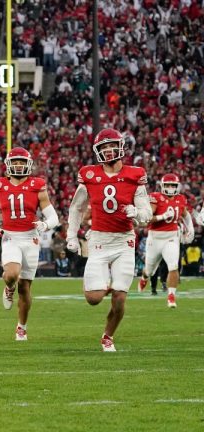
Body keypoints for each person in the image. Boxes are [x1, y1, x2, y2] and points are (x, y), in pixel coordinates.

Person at [66, 128, 152, 352]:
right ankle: (103, 283)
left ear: (121, 147)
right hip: (99, 240)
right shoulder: (89, 174)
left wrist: (137, 212)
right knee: (93, 298)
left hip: (124, 241)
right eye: (103, 147)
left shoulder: (135, 174)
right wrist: (71, 235)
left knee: (120, 298)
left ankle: (108, 336)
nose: (108, 150)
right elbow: (76, 207)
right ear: (97, 150)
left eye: (111, 146)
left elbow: (146, 213)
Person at [0, 147, 59, 341]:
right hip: (10, 237)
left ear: (28, 164)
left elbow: (53, 217)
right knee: (11, 275)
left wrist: (45, 224)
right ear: (8, 165)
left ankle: (21, 327)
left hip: (31, 238)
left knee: (25, 289)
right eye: (15, 161)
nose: (18, 165)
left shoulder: (37, 185)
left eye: (22, 162)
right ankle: (8, 288)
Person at [137, 174, 193, 308]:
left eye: (172, 185)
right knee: (149, 270)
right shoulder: (155, 197)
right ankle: (144, 278)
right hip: (155, 237)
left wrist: (190, 229)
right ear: (162, 186)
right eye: (167, 185)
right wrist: (162, 216)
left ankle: (171, 296)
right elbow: (146, 219)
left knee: (173, 266)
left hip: (172, 237)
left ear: (177, 186)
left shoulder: (180, 199)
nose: (170, 187)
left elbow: (186, 215)